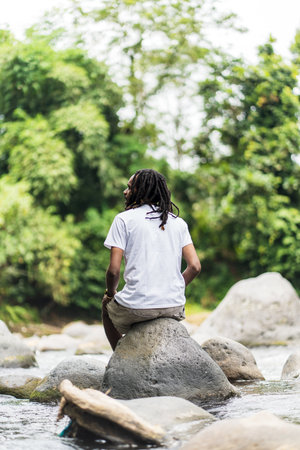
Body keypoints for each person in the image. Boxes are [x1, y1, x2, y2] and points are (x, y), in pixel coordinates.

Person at [102, 169, 201, 350]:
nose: (125, 191)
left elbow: (114, 270)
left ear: (142, 192)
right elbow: (194, 266)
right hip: (174, 306)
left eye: (129, 187)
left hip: (138, 307)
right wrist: (176, 286)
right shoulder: (179, 223)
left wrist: (110, 293)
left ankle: (120, 355)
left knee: (106, 307)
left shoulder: (123, 220)